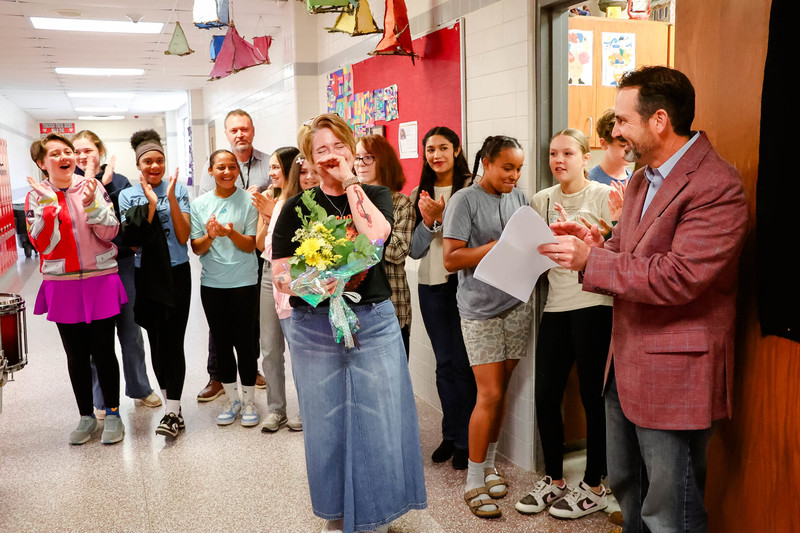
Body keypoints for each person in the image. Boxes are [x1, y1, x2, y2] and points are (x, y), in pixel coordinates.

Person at [538, 66, 749, 532]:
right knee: (628, 489)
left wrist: (589, 262)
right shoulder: (640, 179)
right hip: (625, 366)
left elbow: (680, 276)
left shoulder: (715, 185)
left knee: (670, 511)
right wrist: (596, 244)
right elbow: (629, 255)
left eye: (621, 120)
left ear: (658, 120)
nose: (614, 131)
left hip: (676, 374)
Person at [271, 113, 426, 533]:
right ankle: (336, 513)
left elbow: (376, 238)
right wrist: (323, 283)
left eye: (339, 146)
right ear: (307, 160)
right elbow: (281, 275)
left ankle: (377, 512)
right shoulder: (295, 207)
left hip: (372, 322)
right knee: (326, 423)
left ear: (351, 148)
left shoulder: (375, 193)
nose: (332, 156)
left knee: (379, 418)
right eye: (321, 150)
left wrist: (351, 182)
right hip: (314, 327)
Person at [515, 128, 613, 519]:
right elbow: (533, 256)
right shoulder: (542, 199)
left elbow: (616, 251)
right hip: (555, 307)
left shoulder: (604, 197)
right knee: (545, 394)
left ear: (585, 158)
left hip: (595, 305)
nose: (559, 160)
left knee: (593, 397)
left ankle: (594, 484)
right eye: (553, 153)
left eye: (568, 153)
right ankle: (554, 479)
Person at [441, 135, 532, 519]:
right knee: (489, 394)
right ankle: (473, 479)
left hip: (515, 306)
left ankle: (490, 464)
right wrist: (493, 247)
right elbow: (451, 259)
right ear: (487, 163)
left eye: (519, 169)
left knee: (503, 391)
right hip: (479, 309)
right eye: (507, 168)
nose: (514, 176)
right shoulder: (464, 200)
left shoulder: (520, 199)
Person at [25, 133, 127, 445]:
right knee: (77, 355)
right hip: (62, 284)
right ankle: (86, 416)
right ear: (43, 163)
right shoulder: (36, 197)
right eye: (54, 153)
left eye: (66, 151)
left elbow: (111, 232)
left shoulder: (92, 187)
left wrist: (93, 206)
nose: (64, 156)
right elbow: (42, 244)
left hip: (100, 279)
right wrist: (48, 208)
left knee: (105, 351)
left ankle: (112, 413)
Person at [72, 130, 162, 414]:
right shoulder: (70, 186)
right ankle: (101, 399)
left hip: (121, 267)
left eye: (88, 150)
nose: (82, 156)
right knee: (96, 338)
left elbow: (123, 229)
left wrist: (105, 185)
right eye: (78, 152)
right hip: (91, 271)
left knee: (130, 331)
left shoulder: (120, 182)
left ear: (100, 150)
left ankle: (140, 388)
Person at [408, 126, 476, 470]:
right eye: (430, 149)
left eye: (443, 148)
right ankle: (450, 435)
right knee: (445, 365)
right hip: (431, 286)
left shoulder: (470, 189)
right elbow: (415, 249)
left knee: (464, 365)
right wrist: (429, 221)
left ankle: (467, 440)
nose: (436, 155)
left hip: (464, 285)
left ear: (457, 149)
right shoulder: (418, 194)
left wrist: (443, 219)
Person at [119, 129, 192, 438]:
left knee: (174, 342)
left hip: (177, 273)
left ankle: (173, 410)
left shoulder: (180, 189)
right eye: (147, 161)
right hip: (145, 275)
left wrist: (171, 197)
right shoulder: (128, 195)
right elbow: (134, 242)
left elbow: (183, 235)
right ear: (139, 165)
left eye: (159, 160)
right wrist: (149, 207)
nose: (154, 166)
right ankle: (169, 407)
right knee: (157, 343)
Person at [197, 109, 270, 401]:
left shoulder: (267, 163)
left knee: (250, 323)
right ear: (227, 134)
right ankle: (218, 377)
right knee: (221, 328)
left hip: (257, 254)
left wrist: (255, 199)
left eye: (244, 129)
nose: (240, 134)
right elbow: (208, 205)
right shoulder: (213, 167)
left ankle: (250, 374)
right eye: (234, 130)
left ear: (252, 130)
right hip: (218, 264)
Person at [191, 149, 261, 427]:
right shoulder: (199, 205)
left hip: (244, 282)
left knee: (246, 342)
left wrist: (230, 232)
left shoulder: (249, 202)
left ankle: (249, 401)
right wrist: (210, 235)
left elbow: (251, 245)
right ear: (211, 171)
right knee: (221, 343)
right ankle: (232, 400)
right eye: (221, 167)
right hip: (213, 284)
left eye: (232, 167)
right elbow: (197, 249)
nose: (227, 172)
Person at [251, 146, 303, 432]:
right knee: (269, 347)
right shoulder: (269, 197)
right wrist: (266, 215)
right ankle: (275, 409)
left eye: (276, 168)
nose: (270, 174)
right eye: (269, 168)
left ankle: (306, 408)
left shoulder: (300, 199)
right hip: (269, 273)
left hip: (294, 276)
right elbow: (260, 244)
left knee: (299, 346)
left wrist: (277, 214)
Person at [355, 134, 415, 356]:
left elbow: (398, 250)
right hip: (355, 301)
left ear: (383, 160)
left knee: (394, 378)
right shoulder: (350, 201)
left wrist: (363, 239)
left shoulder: (400, 202)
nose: (360, 164)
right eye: (357, 158)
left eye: (368, 158)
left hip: (392, 301)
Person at [588, 108, 632, 186]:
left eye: (632, 145)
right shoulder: (590, 181)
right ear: (604, 144)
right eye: (623, 146)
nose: (630, 151)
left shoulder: (635, 180)